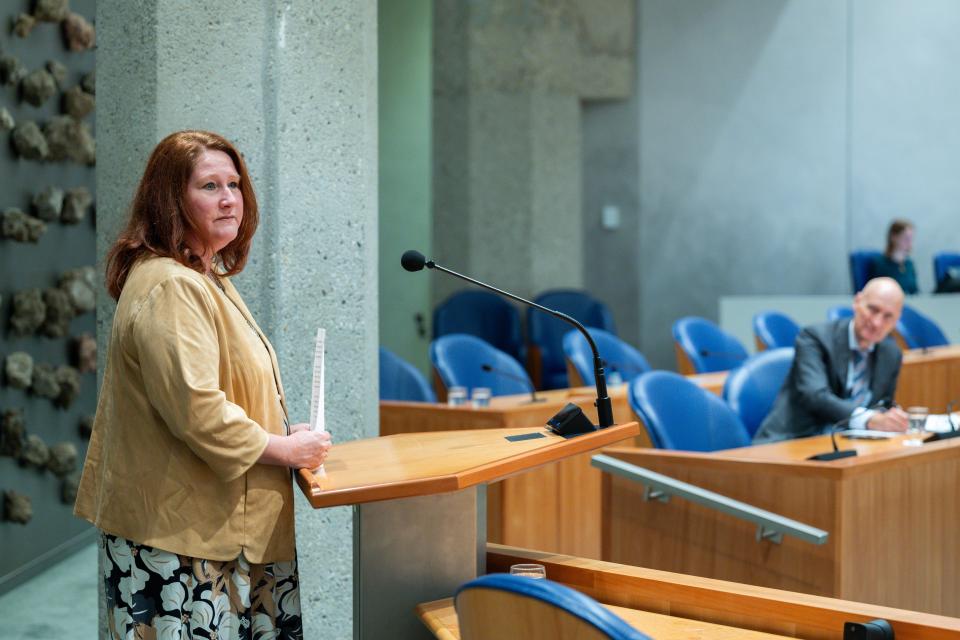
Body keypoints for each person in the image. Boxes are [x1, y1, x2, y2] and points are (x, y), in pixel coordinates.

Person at [74, 130, 332, 639]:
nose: (229, 198)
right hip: (181, 539)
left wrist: (278, 432)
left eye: (234, 184)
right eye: (209, 186)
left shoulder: (203, 275)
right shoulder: (171, 284)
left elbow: (220, 388)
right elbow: (197, 409)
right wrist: (281, 448)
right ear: (172, 200)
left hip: (208, 528)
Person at [753, 277, 908, 444]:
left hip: (849, 444)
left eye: (888, 317)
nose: (877, 322)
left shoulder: (891, 353)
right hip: (793, 442)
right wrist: (868, 420)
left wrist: (892, 418)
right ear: (857, 302)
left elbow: (882, 405)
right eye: (873, 309)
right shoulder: (814, 338)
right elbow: (815, 396)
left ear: (897, 320)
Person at [868, 219, 918, 294]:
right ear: (893, 237)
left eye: (911, 238)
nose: (909, 242)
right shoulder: (880, 264)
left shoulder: (909, 264)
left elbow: (915, 292)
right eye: (906, 238)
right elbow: (875, 292)